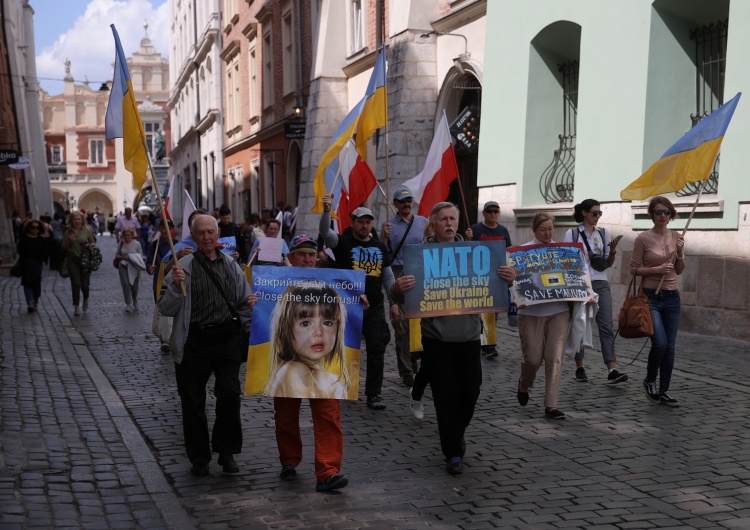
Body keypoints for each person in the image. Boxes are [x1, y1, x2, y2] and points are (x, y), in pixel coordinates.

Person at [391, 202, 515, 474]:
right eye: (443, 219)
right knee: (445, 397)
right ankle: (453, 452)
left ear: (458, 224)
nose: (448, 223)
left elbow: (496, 285)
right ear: (433, 224)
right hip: (436, 340)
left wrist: (509, 277)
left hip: (469, 337)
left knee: (470, 392)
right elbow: (400, 295)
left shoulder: (475, 253)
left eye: (452, 219)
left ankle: (455, 432)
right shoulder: (419, 256)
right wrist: (396, 289)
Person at [257, 234, 357, 492]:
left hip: (324, 363)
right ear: (290, 257)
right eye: (302, 254)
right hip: (288, 360)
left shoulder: (330, 281)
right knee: (286, 415)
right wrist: (253, 303)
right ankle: (289, 460)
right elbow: (266, 312)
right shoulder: (276, 282)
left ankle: (328, 471)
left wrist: (358, 303)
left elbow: (345, 309)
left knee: (328, 415)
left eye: (312, 255)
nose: (308, 259)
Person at [157, 214, 253, 477]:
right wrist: (176, 287)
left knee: (230, 395)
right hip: (194, 341)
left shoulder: (232, 266)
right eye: (202, 233)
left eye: (211, 232)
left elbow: (244, 303)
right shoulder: (181, 267)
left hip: (226, 338)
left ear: (218, 233)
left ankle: (226, 452)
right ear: (193, 235)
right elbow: (164, 308)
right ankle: (199, 457)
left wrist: (251, 328)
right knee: (192, 402)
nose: (207, 237)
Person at [320, 196, 394, 410]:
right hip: (346, 306)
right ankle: (342, 387)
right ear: (353, 222)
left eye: (368, 221)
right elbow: (325, 232)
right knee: (344, 349)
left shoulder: (380, 248)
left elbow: (388, 277)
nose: (364, 225)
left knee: (376, 349)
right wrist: (327, 210)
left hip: (375, 307)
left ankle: (374, 393)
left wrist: (395, 301)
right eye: (361, 221)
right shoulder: (342, 242)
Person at [502, 213, 572, 420]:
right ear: (534, 230)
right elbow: (513, 283)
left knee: (554, 358)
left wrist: (588, 295)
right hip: (531, 311)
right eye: (543, 229)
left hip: (559, 310)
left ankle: (551, 405)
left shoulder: (563, 251)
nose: (548, 233)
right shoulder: (522, 253)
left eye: (550, 228)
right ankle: (525, 381)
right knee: (533, 359)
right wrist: (515, 291)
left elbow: (575, 276)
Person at [564, 199, 627, 384]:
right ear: (584, 213)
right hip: (581, 283)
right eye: (594, 213)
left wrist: (613, 251)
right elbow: (568, 261)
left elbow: (607, 264)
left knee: (606, 325)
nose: (597, 217)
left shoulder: (604, 233)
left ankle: (612, 369)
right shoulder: (572, 233)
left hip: (600, 282)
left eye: (600, 213)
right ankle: (580, 367)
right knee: (580, 324)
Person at [630, 196, 685, 407]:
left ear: (671, 214)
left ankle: (664, 391)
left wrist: (679, 252)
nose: (663, 216)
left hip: (672, 297)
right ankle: (650, 379)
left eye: (667, 212)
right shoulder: (642, 238)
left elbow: (679, 271)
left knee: (670, 346)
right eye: (659, 212)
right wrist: (657, 270)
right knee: (660, 343)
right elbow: (634, 269)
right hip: (650, 296)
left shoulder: (677, 237)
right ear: (651, 215)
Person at [380, 185, 428, 387]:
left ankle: (415, 357)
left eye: (409, 200)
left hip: (419, 271)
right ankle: (406, 371)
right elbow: (382, 253)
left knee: (419, 321)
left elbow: (432, 242)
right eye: (402, 201)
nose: (406, 204)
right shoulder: (388, 225)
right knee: (400, 324)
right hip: (397, 272)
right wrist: (383, 236)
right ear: (395, 204)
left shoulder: (423, 222)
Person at [466, 200, 513, 359]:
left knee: (493, 312)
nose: (493, 214)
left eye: (496, 211)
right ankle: (479, 342)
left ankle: (488, 345)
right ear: (484, 213)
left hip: (497, 275)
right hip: (479, 276)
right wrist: (468, 239)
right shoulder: (475, 229)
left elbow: (508, 251)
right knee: (479, 311)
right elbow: (468, 251)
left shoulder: (503, 230)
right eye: (490, 211)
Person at [147, 219, 178, 352]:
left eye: (168, 228)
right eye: (163, 228)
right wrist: (150, 268)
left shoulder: (177, 245)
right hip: (159, 281)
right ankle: (163, 339)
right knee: (161, 307)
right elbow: (148, 263)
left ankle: (172, 337)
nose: (166, 230)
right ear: (159, 229)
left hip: (173, 279)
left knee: (174, 308)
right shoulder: (154, 246)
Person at [62, 211, 96, 316]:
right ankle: (76, 306)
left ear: (82, 220)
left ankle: (85, 298)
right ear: (71, 221)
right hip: (73, 260)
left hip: (85, 260)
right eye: (75, 219)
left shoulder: (87, 231)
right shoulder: (67, 232)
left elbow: (93, 244)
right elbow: (63, 248)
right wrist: (69, 241)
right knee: (76, 284)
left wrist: (88, 245)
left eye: (79, 219)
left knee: (85, 285)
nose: (77, 221)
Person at [16, 219, 50, 313]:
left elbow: (45, 251)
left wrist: (41, 260)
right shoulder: (24, 238)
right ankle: (30, 302)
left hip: (37, 264)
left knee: (36, 283)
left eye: (37, 228)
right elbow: (20, 250)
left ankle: (35, 302)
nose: (35, 230)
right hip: (26, 263)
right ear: (29, 228)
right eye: (33, 227)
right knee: (27, 283)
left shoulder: (41, 240)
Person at [114, 227, 145, 313]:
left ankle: (135, 299)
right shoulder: (121, 243)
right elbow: (117, 255)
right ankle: (128, 303)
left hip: (134, 267)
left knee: (134, 286)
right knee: (125, 284)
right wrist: (124, 257)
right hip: (123, 266)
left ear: (132, 235)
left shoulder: (137, 244)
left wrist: (132, 257)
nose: (127, 237)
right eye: (125, 235)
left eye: (128, 235)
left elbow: (141, 255)